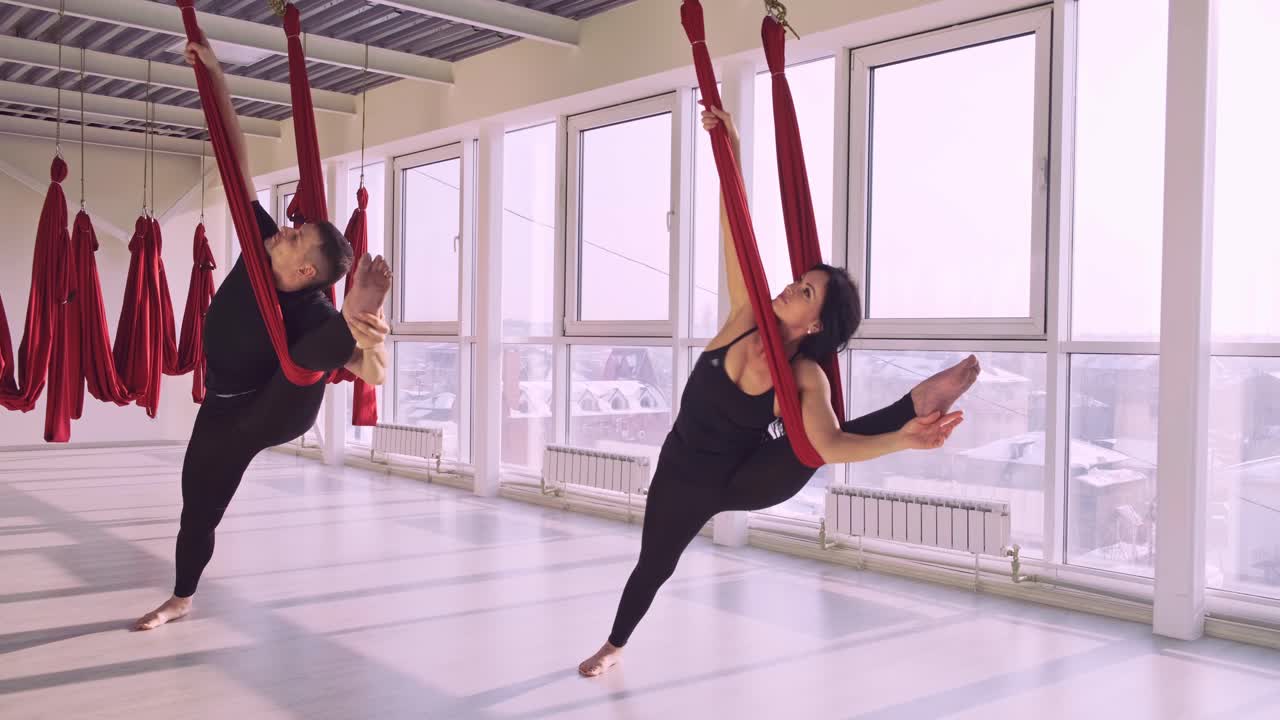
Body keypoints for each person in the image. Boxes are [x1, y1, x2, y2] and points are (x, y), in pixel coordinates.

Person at [578, 107, 980, 676]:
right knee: (654, 564)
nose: (793, 286)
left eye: (807, 291)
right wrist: (729, 153)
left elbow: (832, 447)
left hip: (749, 475)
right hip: (683, 472)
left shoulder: (804, 377)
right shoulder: (747, 313)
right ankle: (614, 647)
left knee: (808, 445)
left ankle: (912, 408)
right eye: (800, 281)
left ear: (815, 325)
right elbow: (733, 231)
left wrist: (901, 442)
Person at [133, 40, 393, 630]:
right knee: (197, 510)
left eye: (297, 238)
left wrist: (370, 341)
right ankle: (180, 597)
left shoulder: (309, 308)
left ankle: (357, 318)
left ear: (305, 272)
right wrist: (216, 79)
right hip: (223, 410)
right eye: (292, 230)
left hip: (279, 405)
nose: (286, 231)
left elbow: (370, 374)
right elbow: (235, 159)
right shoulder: (260, 244)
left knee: (320, 339)